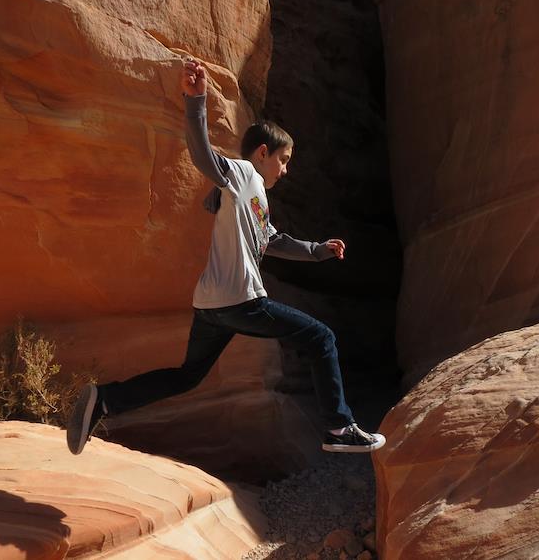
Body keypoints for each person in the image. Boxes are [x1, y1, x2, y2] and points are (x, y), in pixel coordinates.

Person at [66, 59, 385, 456]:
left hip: (210, 308)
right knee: (321, 337)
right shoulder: (244, 174)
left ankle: (105, 399)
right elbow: (204, 158)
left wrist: (317, 251)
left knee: (187, 377)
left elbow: (273, 240)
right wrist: (196, 102)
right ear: (263, 153)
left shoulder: (252, 196)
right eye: (284, 160)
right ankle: (339, 427)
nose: (285, 170)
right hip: (240, 300)